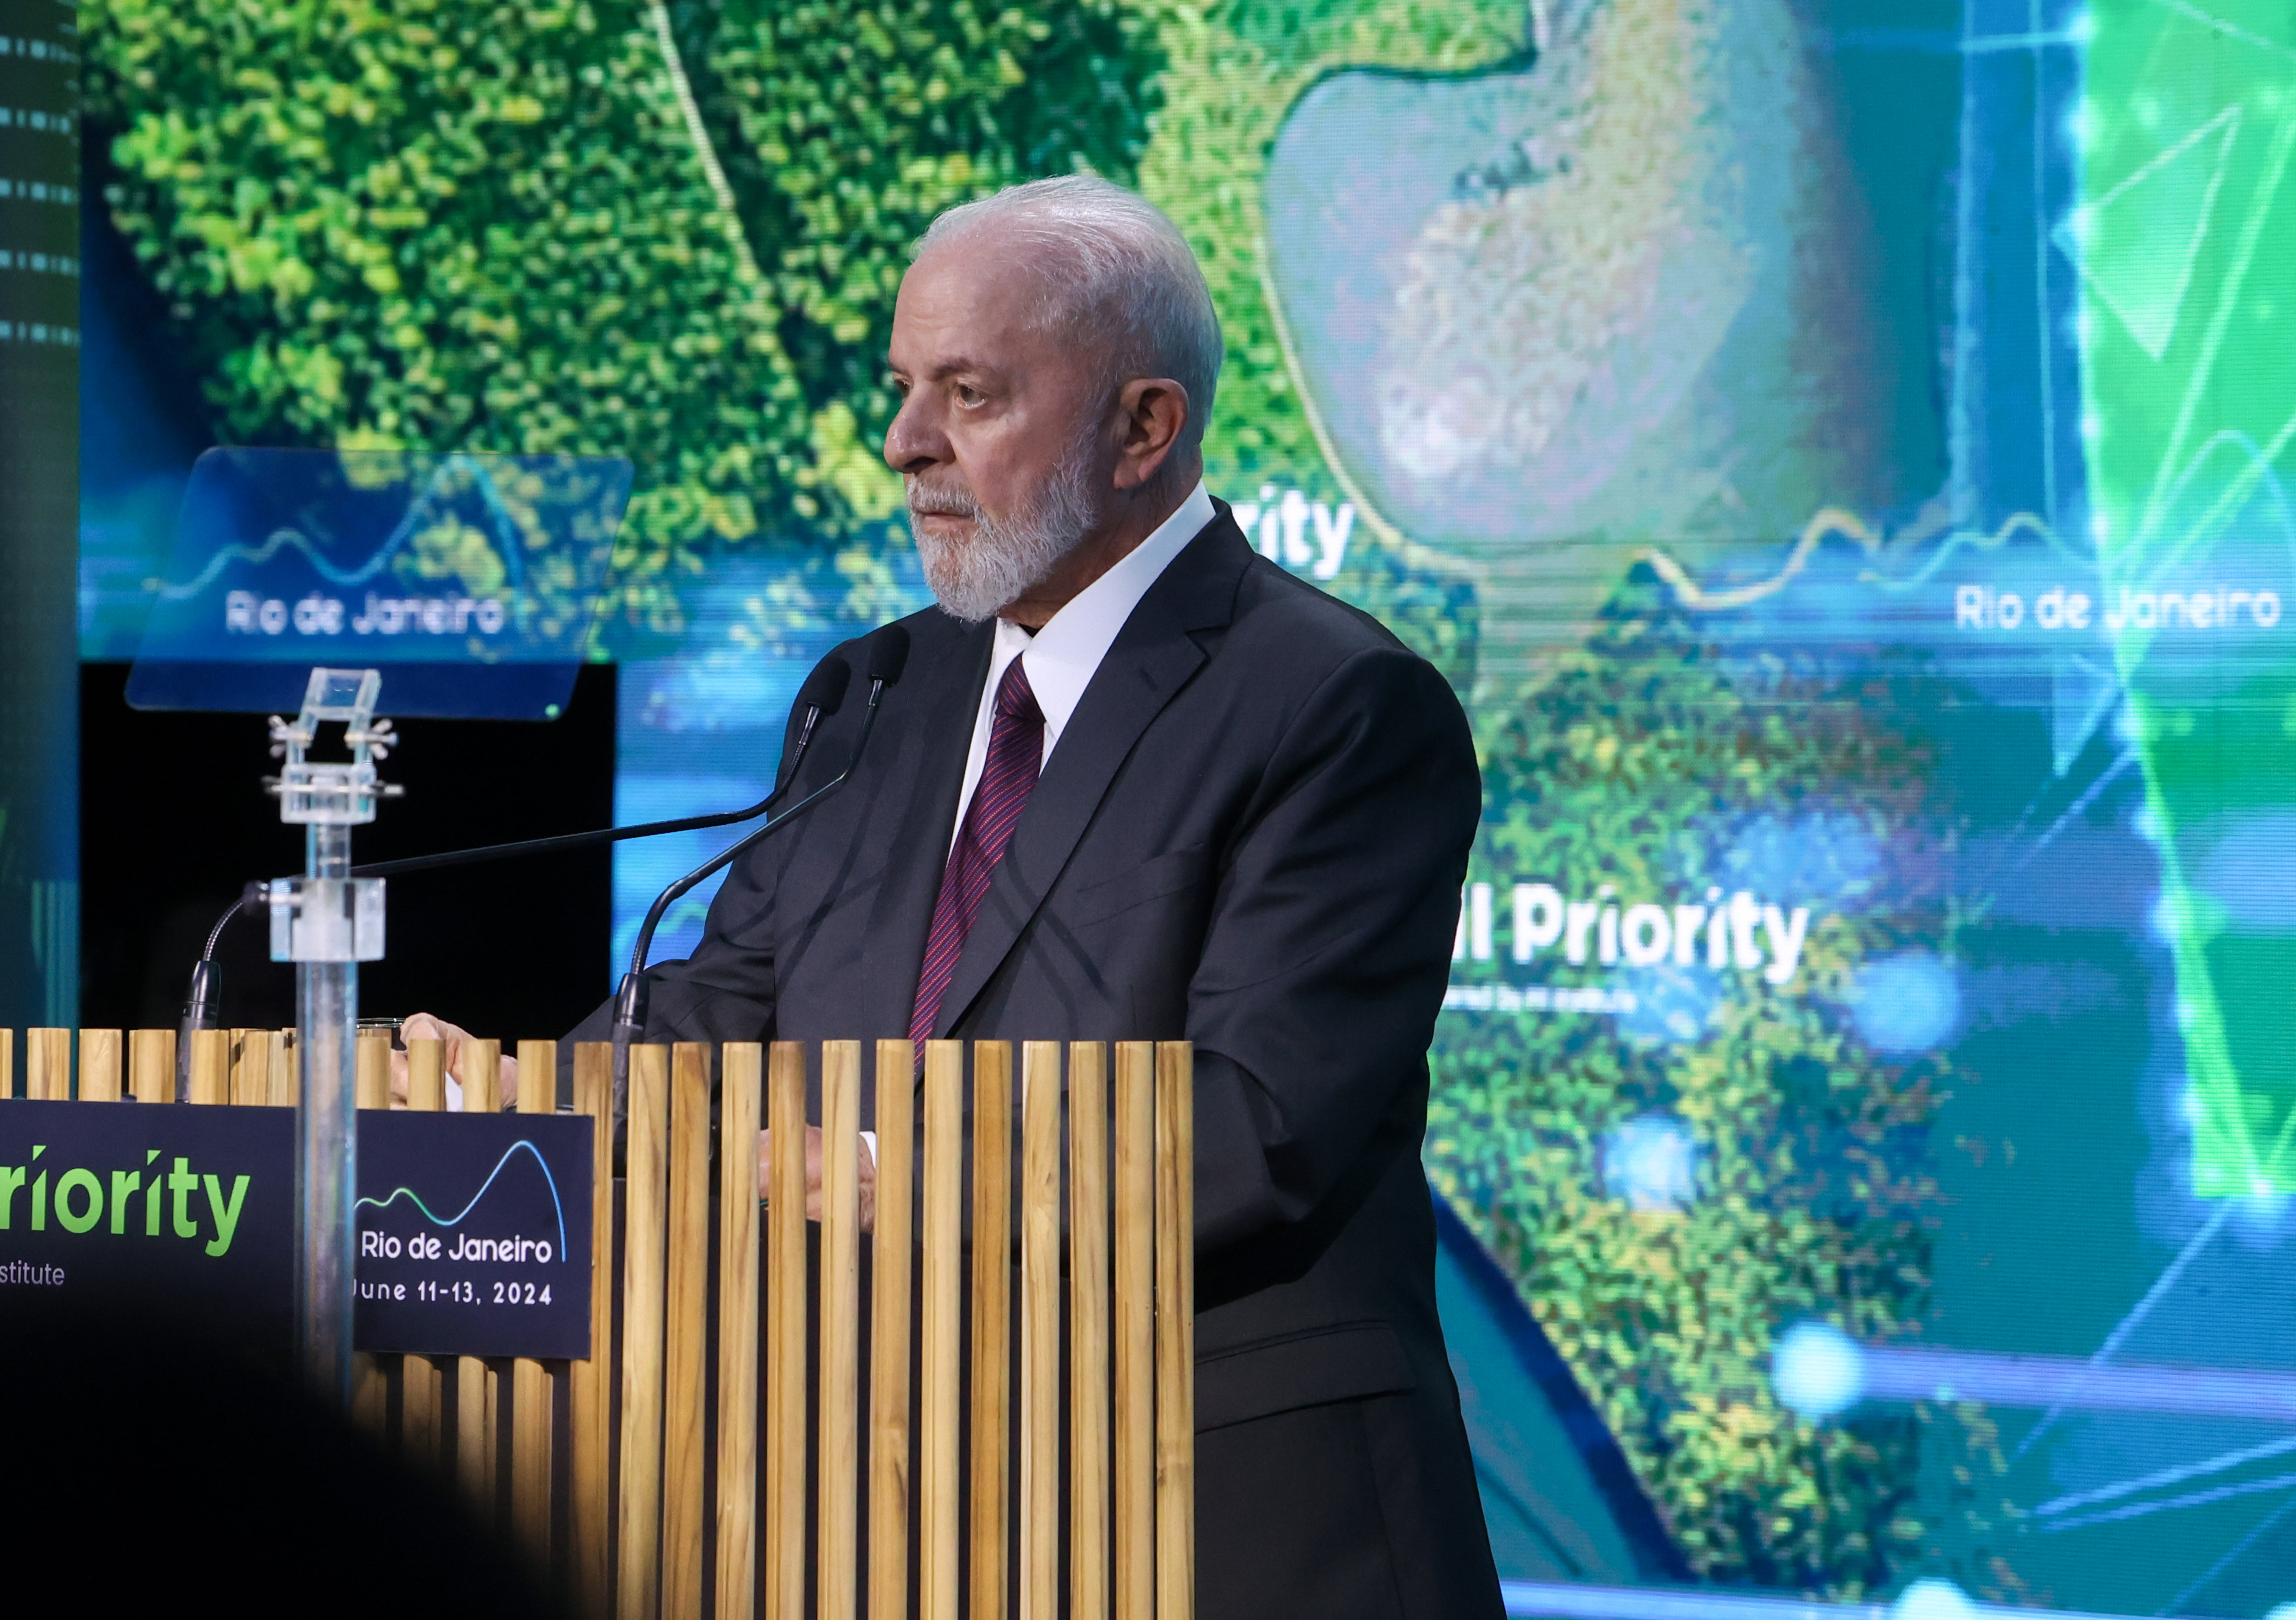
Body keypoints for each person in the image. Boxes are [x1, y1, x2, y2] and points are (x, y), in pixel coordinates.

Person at [405, 174, 1501, 1619]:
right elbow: (715, 1011)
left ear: (1142, 427)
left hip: (1217, 1518)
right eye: (902, 387)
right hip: (892, 1508)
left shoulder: (1338, 704)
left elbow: (1255, 1121)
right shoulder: (877, 691)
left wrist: (881, 1179)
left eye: (968, 394)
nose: (903, 443)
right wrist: (503, 1108)